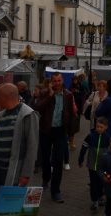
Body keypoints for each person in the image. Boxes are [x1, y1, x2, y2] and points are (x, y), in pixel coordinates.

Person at [0, 83, 39, 216]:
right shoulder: (0, 116)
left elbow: (32, 147)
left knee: (10, 209)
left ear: (4, 97)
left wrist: (26, 174)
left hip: (15, 173)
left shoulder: (28, 114)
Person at [32, 72, 76, 203]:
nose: (57, 83)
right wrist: (50, 96)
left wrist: (70, 132)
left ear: (62, 81)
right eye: (54, 81)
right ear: (51, 82)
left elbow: (70, 112)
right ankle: (46, 178)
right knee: (45, 158)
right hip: (46, 130)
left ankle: (56, 190)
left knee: (58, 160)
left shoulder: (68, 95)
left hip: (60, 131)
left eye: (59, 80)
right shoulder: (45, 93)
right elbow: (37, 108)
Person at [79, 116, 111, 211]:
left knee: (101, 182)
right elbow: (84, 147)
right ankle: (94, 201)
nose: (99, 129)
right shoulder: (90, 136)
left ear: (106, 127)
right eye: (97, 126)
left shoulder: (108, 138)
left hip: (103, 167)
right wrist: (81, 159)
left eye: (101, 127)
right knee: (93, 183)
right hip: (92, 165)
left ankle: (101, 196)